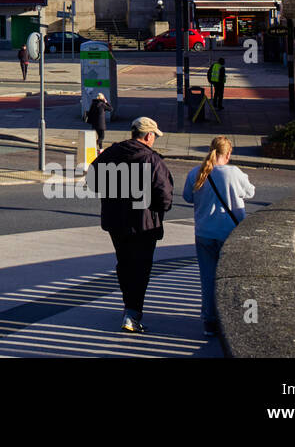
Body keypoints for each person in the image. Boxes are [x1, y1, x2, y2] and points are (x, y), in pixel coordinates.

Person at [87, 116, 173, 334]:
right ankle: (132, 313)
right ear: (148, 136)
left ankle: (128, 307)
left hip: (116, 221)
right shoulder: (152, 160)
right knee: (141, 268)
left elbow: (92, 181)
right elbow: (165, 197)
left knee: (124, 264)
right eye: (154, 136)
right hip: (144, 224)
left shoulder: (111, 153)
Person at [183, 136, 255, 337]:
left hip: (204, 233)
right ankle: (232, 317)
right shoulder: (234, 173)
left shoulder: (195, 173)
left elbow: (188, 197)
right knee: (232, 277)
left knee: (207, 278)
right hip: (229, 233)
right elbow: (250, 192)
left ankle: (210, 321)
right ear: (228, 154)